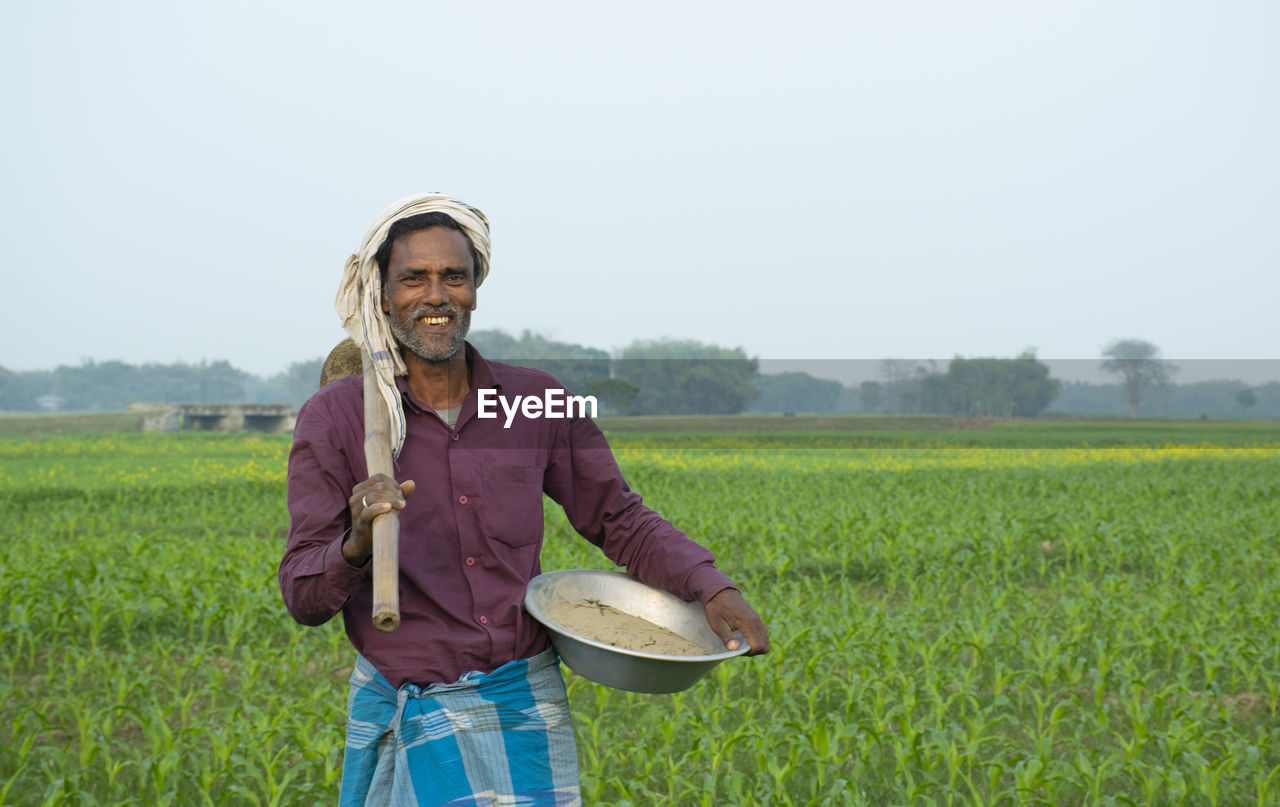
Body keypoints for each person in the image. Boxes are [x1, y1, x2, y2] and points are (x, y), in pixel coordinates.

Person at [278, 193, 769, 806]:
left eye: (453, 277)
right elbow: (302, 594)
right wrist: (355, 541)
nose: (436, 295)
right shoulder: (337, 418)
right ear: (381, 294)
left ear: (476, 288)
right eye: (414, 279)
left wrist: (710, 585)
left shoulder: (533, 400)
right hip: (407, 702)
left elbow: (617, 516)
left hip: (521, 700)